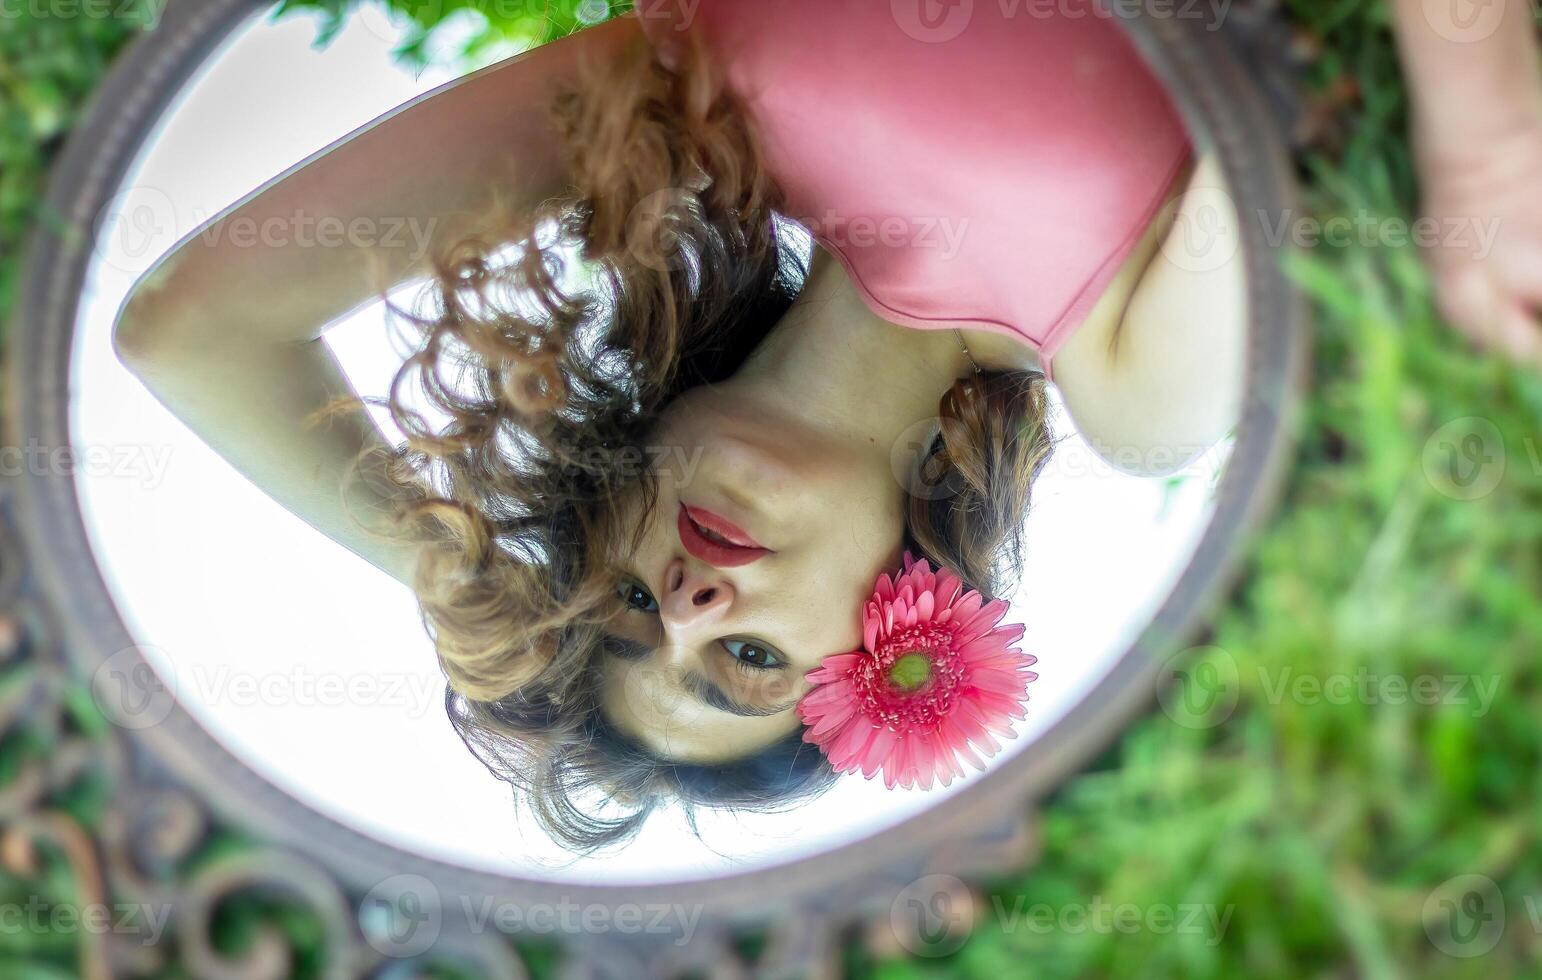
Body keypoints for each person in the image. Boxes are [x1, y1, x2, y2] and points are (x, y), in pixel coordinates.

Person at [113, 0, 1540, 851]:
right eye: (740, 660)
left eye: (620, 611)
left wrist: (495, 592)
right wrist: (1481, 119)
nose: (681, 604)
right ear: (899, 628)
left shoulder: (668, 97)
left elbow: (187, 328)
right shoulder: (1128, 386)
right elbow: (1294, 82)